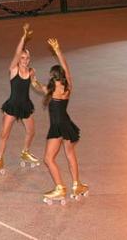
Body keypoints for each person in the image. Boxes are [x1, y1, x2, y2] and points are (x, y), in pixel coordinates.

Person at [31, 38, 88, 205]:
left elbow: (37, 86)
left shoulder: (51, 89)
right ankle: (77, 185)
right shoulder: (68, 87)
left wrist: (33, 79)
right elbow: (67, 68)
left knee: (48, 159)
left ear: (52, 76)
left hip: (57, 127)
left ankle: (60, 188)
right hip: (67, 124)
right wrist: (57, 50)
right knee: (70, 154)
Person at [0, 23, 40, 176]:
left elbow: (35, 84)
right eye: (22, 57)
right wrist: (23, 37)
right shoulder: (14, 69)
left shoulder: (31, 71)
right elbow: (17, 53)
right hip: (12, 106)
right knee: (4, 134)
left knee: (31, 131)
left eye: (27, 57)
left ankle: (25, 152)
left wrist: (44, 88)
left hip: (25, 106)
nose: (24, 59)